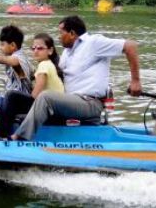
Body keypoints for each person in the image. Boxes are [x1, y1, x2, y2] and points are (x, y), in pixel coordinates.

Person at [11, 15, 141, 141]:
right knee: (19, 97)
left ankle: (20, 137)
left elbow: (131, 46)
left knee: (45, 97)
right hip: (71, 102)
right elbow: (54, 72)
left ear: (72, 33)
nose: (59, 36)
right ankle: (10, 127)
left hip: (89, 103)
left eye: (61, 32)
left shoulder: (94, 43)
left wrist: (135, 81)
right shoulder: (67, 52)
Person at [0, 33, 64, 139]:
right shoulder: (48, 64)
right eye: (33, 48)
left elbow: (35, 96)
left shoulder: (44, 66)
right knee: (13, 98)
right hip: (53, 109)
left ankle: (1, 135)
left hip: (50, 112)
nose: (35, 51)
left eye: (40, 48)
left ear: (50, 50)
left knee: (11, 96)